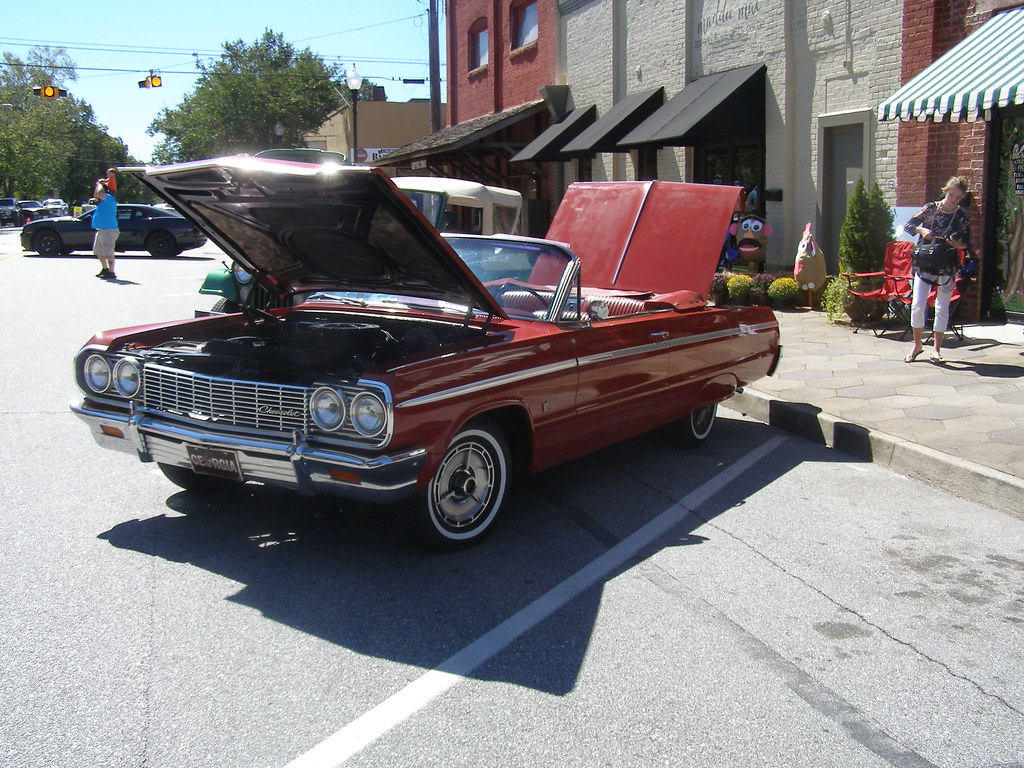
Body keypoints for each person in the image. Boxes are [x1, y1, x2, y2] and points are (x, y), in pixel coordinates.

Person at [903, 176, 971, 363]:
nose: (953, 199)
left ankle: (936, 349)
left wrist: (958, 244)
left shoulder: (962, 214)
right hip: (925, 261)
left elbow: (966, 242)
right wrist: (922, 231)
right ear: (945, 190)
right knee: (917, 304)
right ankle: (917, 345)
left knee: (942, 306)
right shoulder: (931, 208)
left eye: (958, 197)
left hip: (947, 263)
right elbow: (909, 226)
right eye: (951, 194)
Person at [91, 176, 119, 280]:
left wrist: (100, 184)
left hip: (109, 229)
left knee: (108, 252)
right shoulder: (102, 201)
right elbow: (96, 194)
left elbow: (99, 194)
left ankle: (111, 272)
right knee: (99, 251)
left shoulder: (110, 198)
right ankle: (105, 269)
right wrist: (98, 184)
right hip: (101, 229)